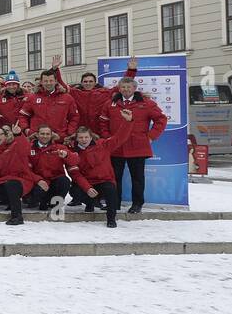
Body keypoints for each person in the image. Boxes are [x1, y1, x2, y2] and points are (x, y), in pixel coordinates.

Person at [103, 75, 167, 213]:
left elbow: (161, 120)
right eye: (123, 87)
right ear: (119, 88)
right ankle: (114, 203)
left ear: (134, 88)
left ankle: (137, 204)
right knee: (114, 177)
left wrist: (151, 136)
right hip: (116, 147)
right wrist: (108, 138)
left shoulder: (146, 103)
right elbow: (103, 122)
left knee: (137, 178)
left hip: (137, 147)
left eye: (129, 87)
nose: (126, 89)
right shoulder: (110, 103)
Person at [70, 109, 136, 227]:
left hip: (104, 180)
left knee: (111, 190)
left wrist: (128, 121)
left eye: (86, 137)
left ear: (91, 137)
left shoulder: (102, 144)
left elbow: (119, 138)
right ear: (76, 138)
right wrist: (87, 188)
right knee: (74, 191)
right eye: (81, 137)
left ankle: (111, 219)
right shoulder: (73, 152)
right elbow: (76, 174)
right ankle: (90, 202)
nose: (84, 140)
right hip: (88, 183)